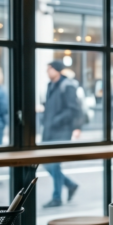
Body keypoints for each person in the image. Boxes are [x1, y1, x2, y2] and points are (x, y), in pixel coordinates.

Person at [40, 60, 81, 207]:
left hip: (61, 130)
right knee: (46, 163)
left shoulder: (67, 85)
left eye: (49, 69)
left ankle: (56, 197)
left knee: (54, 164)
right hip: (48, 129)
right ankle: (70, 185)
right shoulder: (50, 85)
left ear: (56, 69)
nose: (47, 72)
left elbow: (73, 109)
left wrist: (56, 120)